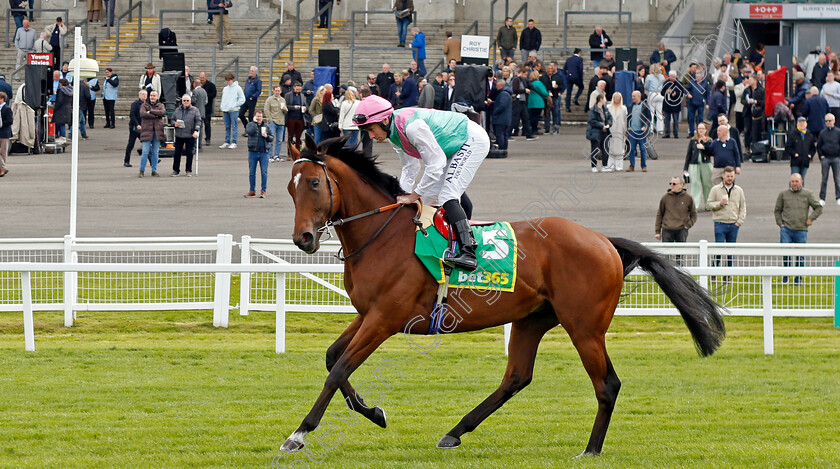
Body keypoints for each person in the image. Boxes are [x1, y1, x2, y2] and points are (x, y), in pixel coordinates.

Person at [353, 95, 490, 271]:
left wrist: (414, 195)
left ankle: (468, 252)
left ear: (385, 120)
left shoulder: (412, 128)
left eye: (371, 129)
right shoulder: (394, 133)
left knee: (448, 194)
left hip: (471, 139)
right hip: (450, 146)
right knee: (429, 199)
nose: (371, 136)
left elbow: (436, 164)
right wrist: (402, 196)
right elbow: (410, 168)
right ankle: (449, 242)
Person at [774, 173, 822, 283]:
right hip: (786, 229)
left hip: (801, 229)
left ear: (801, 182)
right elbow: (777, 210)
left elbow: (818, 208)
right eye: (792, 181)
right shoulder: (783, 194)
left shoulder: (808, 194)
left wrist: (810, 219)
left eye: (796, 181)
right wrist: (780, 223)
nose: (794, 184)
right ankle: (786, 276)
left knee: (800, 255)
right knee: (786, 253)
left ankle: (798, 278)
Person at [707, 166, 746, 271]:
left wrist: (739, 221)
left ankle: (728, 273)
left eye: (732, 176)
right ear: (723, 176)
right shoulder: (715, 189)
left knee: (731, 250)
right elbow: (709, 204)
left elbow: (743, 207)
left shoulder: (739, 190)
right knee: (718, 248)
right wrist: (719, 204)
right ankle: (715, 271)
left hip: (733, 224)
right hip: (720, 223)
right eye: (728, 176)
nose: (730, 178)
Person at [655, 176, 697, 243]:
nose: (672, 185)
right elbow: (660, 214)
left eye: (674, 184)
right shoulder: (665, 198)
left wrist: (687, 225)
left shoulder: (688, 198)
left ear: (681, 185)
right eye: (670, 183)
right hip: (667, 230)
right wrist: (657, 231)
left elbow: (694, 215)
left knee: (681, 252)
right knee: (666, 252)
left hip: (681, 230)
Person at [683, 121, 714, 210]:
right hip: (694, 164)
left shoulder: (709, 140)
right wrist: (685, 168)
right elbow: (688, 154)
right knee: (695, 184)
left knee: (707, 184)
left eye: (702, 128)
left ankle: (708, 204)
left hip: (706, 164)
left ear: (706, 130)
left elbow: (711, 152)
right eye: (699, 128)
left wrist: (704, 146)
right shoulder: (693, 140)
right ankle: (694, 205)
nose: (700, 130)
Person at [170, 94, 201, 177]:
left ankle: (188, 170)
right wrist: (174, 124)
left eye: (187, 100)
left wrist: (196, 130)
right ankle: (175, 170)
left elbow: (198, 121)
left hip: (190, 135)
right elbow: (172, 119)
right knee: (177, 154)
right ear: (182, 101)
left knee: (189, 153)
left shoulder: (195, 110)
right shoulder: (177, 110)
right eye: (184, 101)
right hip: (179, 135)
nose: (186, 102)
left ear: (190, 101)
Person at [244, 110, 274, 198]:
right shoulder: (250, 125)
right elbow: (250, 132)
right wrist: (254, 123)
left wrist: (267, 136)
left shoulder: (266, 126)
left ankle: (263, 191)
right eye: (257, 116)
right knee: (252, 172)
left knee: (264, 172)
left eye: (260, 116)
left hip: (264, 152)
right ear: (254, 117)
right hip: (252, 152)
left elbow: (271, 138)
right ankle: (252, 190)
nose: (259, 118)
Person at [139, 90, 165, 177]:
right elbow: (142, 114)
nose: (152, 97)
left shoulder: (161, 105)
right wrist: (156, 115)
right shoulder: (144, 105)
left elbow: (162, 113)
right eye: (151, 95)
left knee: (155, 152)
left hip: (157, 132)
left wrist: (150, 111)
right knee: (145, 152)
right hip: (147, 131)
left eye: (154, 95)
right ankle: (141, 170)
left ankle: (154, 170)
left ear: (157, 97)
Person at [816, 113, 840, 205]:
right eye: (826, 121)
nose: (828, 122)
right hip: (825, 158)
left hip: (836, 158)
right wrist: (821, 156)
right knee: (824, 179)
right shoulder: (822, 132)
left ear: (834, 121)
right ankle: (822, 198)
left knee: (837, 179)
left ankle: (838, 197)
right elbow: (819, 145)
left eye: (829, 121)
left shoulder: (838, 132)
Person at [786, 116, 817, 184]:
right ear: (797, 124)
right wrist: (794, 154)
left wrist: (810, 155)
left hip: (805, 161)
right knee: (794, 180)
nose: (801, 124)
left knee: (802, 180)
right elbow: (788, 147)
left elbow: (813, 148)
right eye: (800, 122)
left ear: (806, 124)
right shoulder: (792, 134)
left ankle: (801, 194)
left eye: (803, 122)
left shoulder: (809, 135)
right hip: (795, 162)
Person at [626, 90, 651, 172]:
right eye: (632, 96)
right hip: (632, 131)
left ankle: (644, 166)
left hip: (641, 131)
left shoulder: (644, 106)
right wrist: (628, 127)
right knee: (632, 149)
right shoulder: (631, 106)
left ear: (639, 96)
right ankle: (631, 166)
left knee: (642, 148)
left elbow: (649, 118)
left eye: (634, 96)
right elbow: (628, 118)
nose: (633, 98)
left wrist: (645, 126)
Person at [586, 94, 612, 172]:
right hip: (596, 132)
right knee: (595, 150)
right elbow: (591, 121)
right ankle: (594, 166)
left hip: (605, 132)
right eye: (605, 98)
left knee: (605, 149)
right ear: (600, 99)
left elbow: (610, 118)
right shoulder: (594, 110)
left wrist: (608, 124)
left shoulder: (605, 109)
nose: (606, 100)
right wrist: (601, 125)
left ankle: (605, 165)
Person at [219, 73, 245, 149]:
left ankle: (234, 141)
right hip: (225, 110)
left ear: (232, 79)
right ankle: (227, 141)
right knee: (227, 126)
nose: (228, 82)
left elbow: (242, 99)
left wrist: (235, 105)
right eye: (227, 80)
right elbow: (223, 98)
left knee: (234, 126)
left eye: (229, 80)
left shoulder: (237, 88)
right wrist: (222, 106)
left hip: (233, 110)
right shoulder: (225, 89)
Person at [741, 75, 765, 152]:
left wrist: (756, 102)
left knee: (756, 130)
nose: (749, 81)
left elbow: (764, 102)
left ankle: (756, 146)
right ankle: (747, 146)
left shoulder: (761, 90)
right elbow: (742, 100)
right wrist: (747, 102)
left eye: (750, 80)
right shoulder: (747, 90)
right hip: (748, 112)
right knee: (747, 129)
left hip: (758, 113)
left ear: (755, 80)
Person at [264, 85, 287, 161]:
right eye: (276, 90)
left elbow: (285, 111)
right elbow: (266, 110)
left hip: (281, 122)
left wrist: (285, 109)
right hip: (273, 121)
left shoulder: (283, 100)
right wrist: (270, 120)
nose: (277, 92)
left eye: (278, 90)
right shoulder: (269, 100)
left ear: (281, 91)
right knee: (271, 139)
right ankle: (270, 156)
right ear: (273, 91)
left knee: (279, 140)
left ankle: (276, 155)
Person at [124, 90, 146, 167]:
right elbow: (132, 115)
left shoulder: (146, 104)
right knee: (131, 144)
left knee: (146, 143)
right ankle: (126, 161)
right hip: (134, 127)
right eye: (142, 94)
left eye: (145, 94)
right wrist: (137, 124)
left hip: (143, 127)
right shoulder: (135, 104)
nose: (144, 96)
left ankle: (152, 160)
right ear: (139, 95)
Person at [606, 92, 626, 172]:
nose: (617, 99)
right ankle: (610, 165)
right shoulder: (608, 107)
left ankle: (619, 165)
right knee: (610, 148)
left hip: (620, 130)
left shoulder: (623, 108)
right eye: (615, 97)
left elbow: (625, 120)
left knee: (620, 149)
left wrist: (625, 131)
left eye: (618, 97)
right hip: (611, 130)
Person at [490, 78, 512, 151]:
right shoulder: (506, 93)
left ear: (501, 85)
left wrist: (495, 112)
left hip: (501, 118)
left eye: (497, 85)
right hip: (505, 118)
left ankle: (502, 148)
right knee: (504, 134)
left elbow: (502, 105)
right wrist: (493, 103)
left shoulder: (503, 94)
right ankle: (504, 148)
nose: (496, 87)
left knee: (500, 134)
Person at [686, 70, 710, 138]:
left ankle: (700, 132)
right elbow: (686, 89)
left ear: (702, 76)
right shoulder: (692, 82)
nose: (697, 76)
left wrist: (708, 103)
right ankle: (691, 132)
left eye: (699, 75)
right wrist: (688, 94)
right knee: (691, 118)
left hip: (701, 103)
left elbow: (708, 94)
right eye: (696, 75)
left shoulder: (705, 84)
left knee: (700, 118)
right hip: (692, 103)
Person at [661, 71, 684, 138]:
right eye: (671, 77)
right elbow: (662, 93)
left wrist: (675, 93)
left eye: (673, 77)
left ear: (676, 77)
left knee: (675, 120)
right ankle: (667, 133)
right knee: (667, 120)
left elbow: (682, 93)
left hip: (676, 104)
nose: (672, 78)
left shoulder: (679, 83)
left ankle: (676, 133)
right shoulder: (666, 83)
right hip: (667, 104)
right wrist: (666, 92)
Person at [285, 81, 307, 151]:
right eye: (297, 89)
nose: (298, 91)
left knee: (298, 137)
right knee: (290, 136)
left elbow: (305, 105)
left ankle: (297, 151)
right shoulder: (288, 95)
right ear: (294, 88)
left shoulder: (302, 95)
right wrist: (293, 107)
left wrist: (305, 108)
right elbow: (286, 106)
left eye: (299, 89)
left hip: (300, 118)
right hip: (291, 117)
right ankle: (290, 151)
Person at [645, 64, 665, 134]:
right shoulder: (662, 77)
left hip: (652, 94)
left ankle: (651, 129)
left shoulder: (649, 77)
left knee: (651, 113)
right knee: (659, 113)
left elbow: (646, 86)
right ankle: (660, 129)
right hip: (659, 94)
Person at [527, 70, 548, 137]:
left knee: (532, 116)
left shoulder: (530, 83)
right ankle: (534, 129)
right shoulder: (538, 83)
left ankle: (531, 129)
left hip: (531, 101)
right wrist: (548, 94)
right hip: (538, 102)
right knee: (536, 117)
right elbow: (544, 92)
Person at [563, 48, 584, 112]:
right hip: (576, 77)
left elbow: (564, 69)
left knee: (568, 92)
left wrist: (566, 75)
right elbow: (580, 69)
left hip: (569, 77)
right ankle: (575, 98)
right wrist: (581, 78)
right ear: (579, 52)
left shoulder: (569, 59)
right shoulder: (580, 59)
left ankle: (567, 107)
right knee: (581, 87)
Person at [53, 79, 73, 143]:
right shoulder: (71, 90)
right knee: (63, 123)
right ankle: (63, 136)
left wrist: (55, 107)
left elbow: (60, 100)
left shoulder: (61, 91)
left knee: (60, 123)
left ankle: (62, 136)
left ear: (61, 84)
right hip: (68, 108)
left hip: (61, 109)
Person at [199, 72, 216, 145]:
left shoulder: (211, 85)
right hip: (199, 108)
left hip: (207, 108)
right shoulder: (198, 85)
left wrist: (205, 96)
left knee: (207, 124)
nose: (202, 79)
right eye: (200, 77)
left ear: (206, 77)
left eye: (203, 77)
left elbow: (214, 94)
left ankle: (208, 138)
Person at [191, 80, 208, 148]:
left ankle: (195, 144)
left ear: (195, 84)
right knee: (200, 129)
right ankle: (199, 144)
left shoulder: (195, 91)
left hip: (196, 112)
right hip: (202, 112)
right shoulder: (204, 91)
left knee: (195, 129)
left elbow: (193, 101)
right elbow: (206, 101)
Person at [0, 92, 11, 178]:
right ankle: (3, 168)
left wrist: (1, 123)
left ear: (3, 99)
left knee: (3, 152)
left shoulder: (7, 109)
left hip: (4, 132)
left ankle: (2, 168)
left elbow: (10, 121)